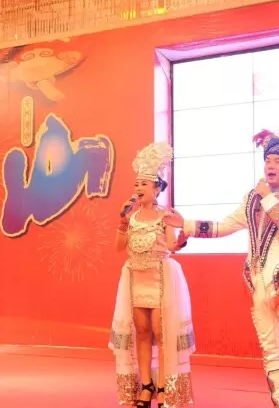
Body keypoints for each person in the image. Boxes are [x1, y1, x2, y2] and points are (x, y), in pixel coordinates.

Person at [164, 130, 279, 408]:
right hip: (257, 281)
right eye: (268, 160)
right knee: (270, 350)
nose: (270, 165)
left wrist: (267, 198)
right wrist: (186, 224)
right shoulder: (252, 198)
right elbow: (225, 226)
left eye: (278, 161)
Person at [109, 142, 195, 408]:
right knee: (142, 331)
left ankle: (164, 386)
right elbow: (118, 248)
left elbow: (171, 246)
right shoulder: (132, 217)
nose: (138, 188)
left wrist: (181, 241)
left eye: (144, 184)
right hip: (135, 278)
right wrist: (122, 223)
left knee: (161, 332)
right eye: (136, 184)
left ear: (157, 189)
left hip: (159, 279)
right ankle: (146, 385)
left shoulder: (165, 216)